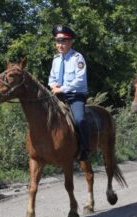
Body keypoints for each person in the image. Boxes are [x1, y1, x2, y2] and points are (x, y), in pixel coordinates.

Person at [48, 24, 90, 161]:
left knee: (79, 119)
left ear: (71, 42)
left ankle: (85, 149)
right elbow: (51, 78)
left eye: (63, 41)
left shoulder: (77, 58)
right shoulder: (56, 59)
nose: (60, 44)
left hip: (75, 96)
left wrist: (62, 88)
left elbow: (80, 80)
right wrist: (53, 85)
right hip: (57, 95)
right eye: (58, 41)